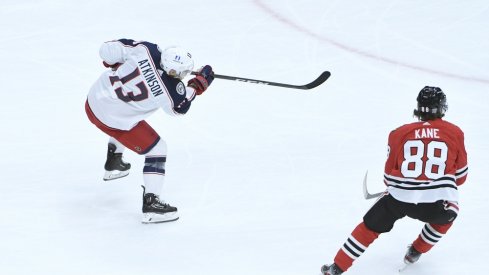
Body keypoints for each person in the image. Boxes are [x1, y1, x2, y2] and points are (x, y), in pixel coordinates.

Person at [321, 86, 468, 274]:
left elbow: (388, 178)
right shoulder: (455, 132)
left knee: (369, 227)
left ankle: (337, 267)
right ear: (442, 107)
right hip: (435, 203)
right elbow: (461, 178)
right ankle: (415, 251)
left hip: (399, 199)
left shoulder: (398, 133)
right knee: (450, 213)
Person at [85, 38, 214, 223]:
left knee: (131, 113)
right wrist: (197, 85)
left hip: (93, 100)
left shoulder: (146, 49)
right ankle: (152, 204)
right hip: (110, 119)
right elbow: (179, 108)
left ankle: (114, 161)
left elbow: (106, 51)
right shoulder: (171, 89)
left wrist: (114, 62)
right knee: (158, 149)